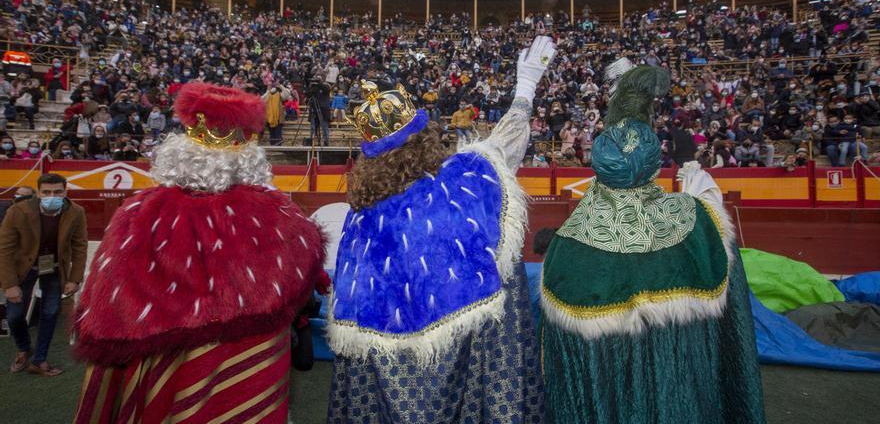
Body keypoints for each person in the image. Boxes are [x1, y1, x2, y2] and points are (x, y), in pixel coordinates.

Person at [327, 37, 556, 423]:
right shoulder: (459, 186)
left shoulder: (360, 220)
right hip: (463, 363)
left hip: (388, 373)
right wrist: (525, 88)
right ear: (424, 137)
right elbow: (502, 147)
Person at [72, 83, 326, 423]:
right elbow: (304, 271)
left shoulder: (137, 213)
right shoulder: (279, 216)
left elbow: (105, 305)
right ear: (250, 153)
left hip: (160, 368)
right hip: (249, 369)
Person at [540, 65, 765, 423]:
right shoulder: (699, 219)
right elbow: (733, 333)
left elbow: (560, 372)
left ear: (598, 164)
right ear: (653, 165)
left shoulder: (567, 244)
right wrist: (691, 166)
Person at [0, 173, 87, 377]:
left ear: (65, 192)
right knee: (14, 316)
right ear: (38, 193)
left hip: (55, 268)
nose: (52, 196)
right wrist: (9, 284)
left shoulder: (76, 212)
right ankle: (24, 348)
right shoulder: (17, 211)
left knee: (50, 313)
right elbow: (4, 249)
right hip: (23, 269)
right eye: (46, 192)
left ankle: (39, 360)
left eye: (58, 192)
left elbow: (80, 247)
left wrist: (75, 278)